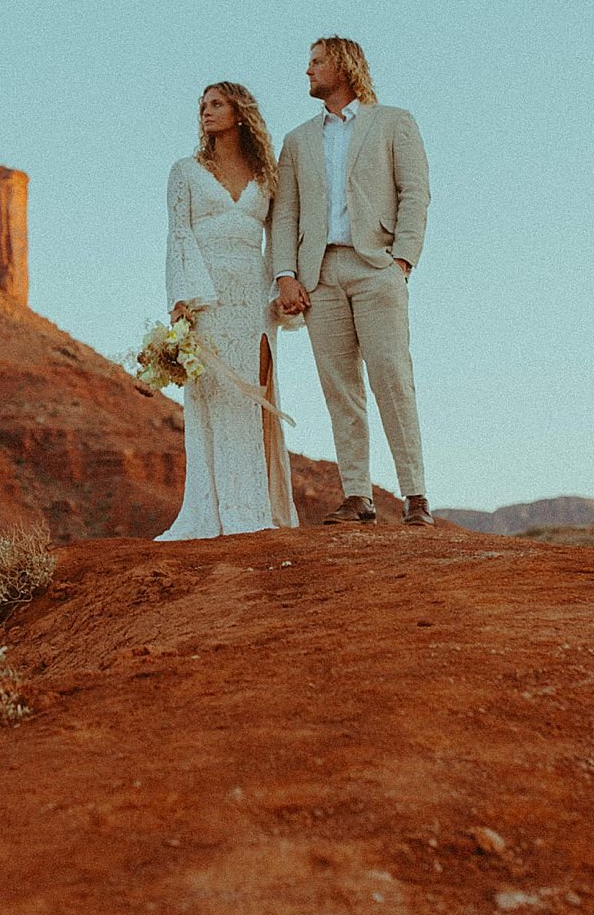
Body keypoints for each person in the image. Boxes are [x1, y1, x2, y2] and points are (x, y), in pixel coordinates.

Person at [272, 37, 433, 526]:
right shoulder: (298, 140)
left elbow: (416, 192)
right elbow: (286, 214)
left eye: (317, 61)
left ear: (343, 66)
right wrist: (285, 274)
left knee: (391, 376)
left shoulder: (394, 122)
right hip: (320, 275)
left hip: (376, 267)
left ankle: (416, 496)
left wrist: (401, 259)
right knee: (339, 387)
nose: (308, 71)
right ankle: (357, 494)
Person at [155, 83, 299, 541]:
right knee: (214, 395)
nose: (205, 112)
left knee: (254, 394)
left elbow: (279, 235)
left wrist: (280, 287)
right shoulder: (186, 171)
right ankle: (214, 512)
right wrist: (185, 301)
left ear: (240, 112)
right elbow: (179, 236)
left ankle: (256, 507)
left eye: (216, 104)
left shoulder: (266, 176)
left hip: (253, 296)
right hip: (208, 296)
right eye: (201, 106)